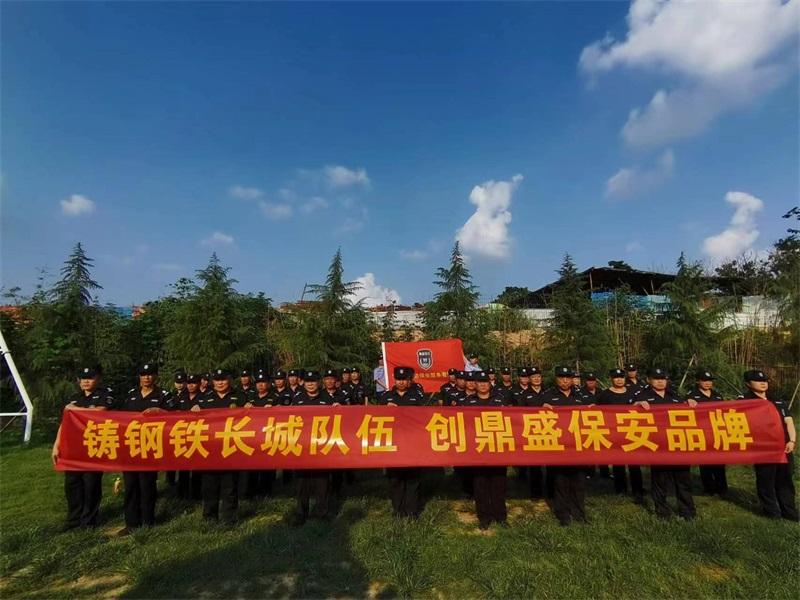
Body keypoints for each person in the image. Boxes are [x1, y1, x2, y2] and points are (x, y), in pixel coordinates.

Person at [52, 366, 114, 531]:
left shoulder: (104, 395)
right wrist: (57, 445)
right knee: (72, 484)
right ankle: (73, 520)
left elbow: (100, 413)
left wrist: (73, 409)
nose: (86, 381)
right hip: (74, 448)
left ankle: (89, 521)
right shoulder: (75, 398)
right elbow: (65, 423)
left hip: (94, 446)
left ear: (98, 379)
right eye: (83, 378)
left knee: (91, 484)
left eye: (90, 378)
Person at [633, 367, 695, 520]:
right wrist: (637, 405)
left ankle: (688, 512)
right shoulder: (642, 395)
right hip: (658, 444)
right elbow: (627, 413)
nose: (660, 381)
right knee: (660, 480)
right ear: (649, 380)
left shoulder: (674, 395)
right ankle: (662, 512)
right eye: (656, 378)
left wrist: (688, 402)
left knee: (683, 479)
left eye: (663, 378)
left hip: (677, 443)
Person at [116, 363, 171, 536]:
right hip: (131, 444)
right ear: (139, 377)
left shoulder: (163, 395)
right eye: (143, 374)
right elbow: (119, 418)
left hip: (151, 444)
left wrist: (160, 410)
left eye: (150, 374)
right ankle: (131, 523)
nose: (146, 377)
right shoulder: (131, 395)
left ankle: (148, 521)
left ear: (155, 376)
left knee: (147, 484)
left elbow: (176, 417)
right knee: (131, 484)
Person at [740, 370, 797, 521]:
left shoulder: (776, 400)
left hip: (784, 447)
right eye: (758, 381)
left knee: (785, 481)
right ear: (748, 384)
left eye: (765, 380)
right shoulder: (744, 401)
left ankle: (789, 512)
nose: (763, 383)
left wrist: (792, 440)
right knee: (766, 480)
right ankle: (772, 512)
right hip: (763, 449)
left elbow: (789, 421)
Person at [190, 369, 242, 523]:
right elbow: (191, 420)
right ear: (213, 382)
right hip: (210, 447)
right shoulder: (205, 398)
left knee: (229, 485)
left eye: (223, 379)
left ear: (229, 380)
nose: (220, 383)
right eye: (217, 380)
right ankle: (209, 517)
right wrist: (194, 412)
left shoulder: (239, 397)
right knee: (209, 485)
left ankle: (229, 518)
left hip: (230, 446)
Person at [541, 366, 588, 525]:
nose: (565, 381)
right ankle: (563, 515)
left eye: (568, 377)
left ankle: (579, 514)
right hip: (558, 446)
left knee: (578, 482)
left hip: (577, 445)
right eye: (562, 378)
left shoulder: (581, 395)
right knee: (560, 482)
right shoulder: (547, 396)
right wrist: (541, 409)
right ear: (556, 379)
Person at [463, 370, 510, 529]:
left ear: (490, 384)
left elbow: (511, 420)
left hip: (497, 447)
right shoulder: (468, 402)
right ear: (474, 384)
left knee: (499, 484)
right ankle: (484, 518)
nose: (483, 385)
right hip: (478, 449)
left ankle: (500, 516)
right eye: (480, 382)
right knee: (480, 485)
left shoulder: (500, 400)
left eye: (485, 382)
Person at [380, 367, 426, 517]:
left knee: (413, 478)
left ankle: (412, 511)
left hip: (413, 442)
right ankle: (397, 510)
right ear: (394, 379)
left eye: (404, 379)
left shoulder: (417, 396)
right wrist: (385, 409)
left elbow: (424, 417)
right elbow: (377, 418)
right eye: (398, 379)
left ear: (409, 381)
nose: (401, 382)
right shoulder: (386, 397)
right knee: (395, 478)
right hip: (393, 442)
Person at [291, 370, 336, 524]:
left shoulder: (327, 399)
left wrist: (338, 409)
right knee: (301, 482)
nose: (310, 384)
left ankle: (322, 513)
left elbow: (336, 420)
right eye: (307, 381)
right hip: (302, 445)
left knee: (322, 481)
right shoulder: (298, 399)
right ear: (304, 383)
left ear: (319, 382)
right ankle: (301, 513)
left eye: (313, 381)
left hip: (321, 446)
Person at [597, 368, 644, 503]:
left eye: (621, 377)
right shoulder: (604, 395)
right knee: (618, 463)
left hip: (631, 431)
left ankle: (638, 490)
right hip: (614, 432)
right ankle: (620, 490)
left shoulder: (633, 392)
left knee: (634, 464)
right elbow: (597, 411)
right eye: (616, 377)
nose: (619, 380)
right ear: (611, 379)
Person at [685, 369, 727, 495]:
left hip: (716, 431)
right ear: (698, 381)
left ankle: (722, 488)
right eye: (704, 380)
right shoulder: (692, 395)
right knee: (705, 462)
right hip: (702, 432)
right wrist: (687, 402)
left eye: (710, 380)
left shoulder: (717, 395)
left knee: (719, 462)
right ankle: (709, 488)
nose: (708, 383)